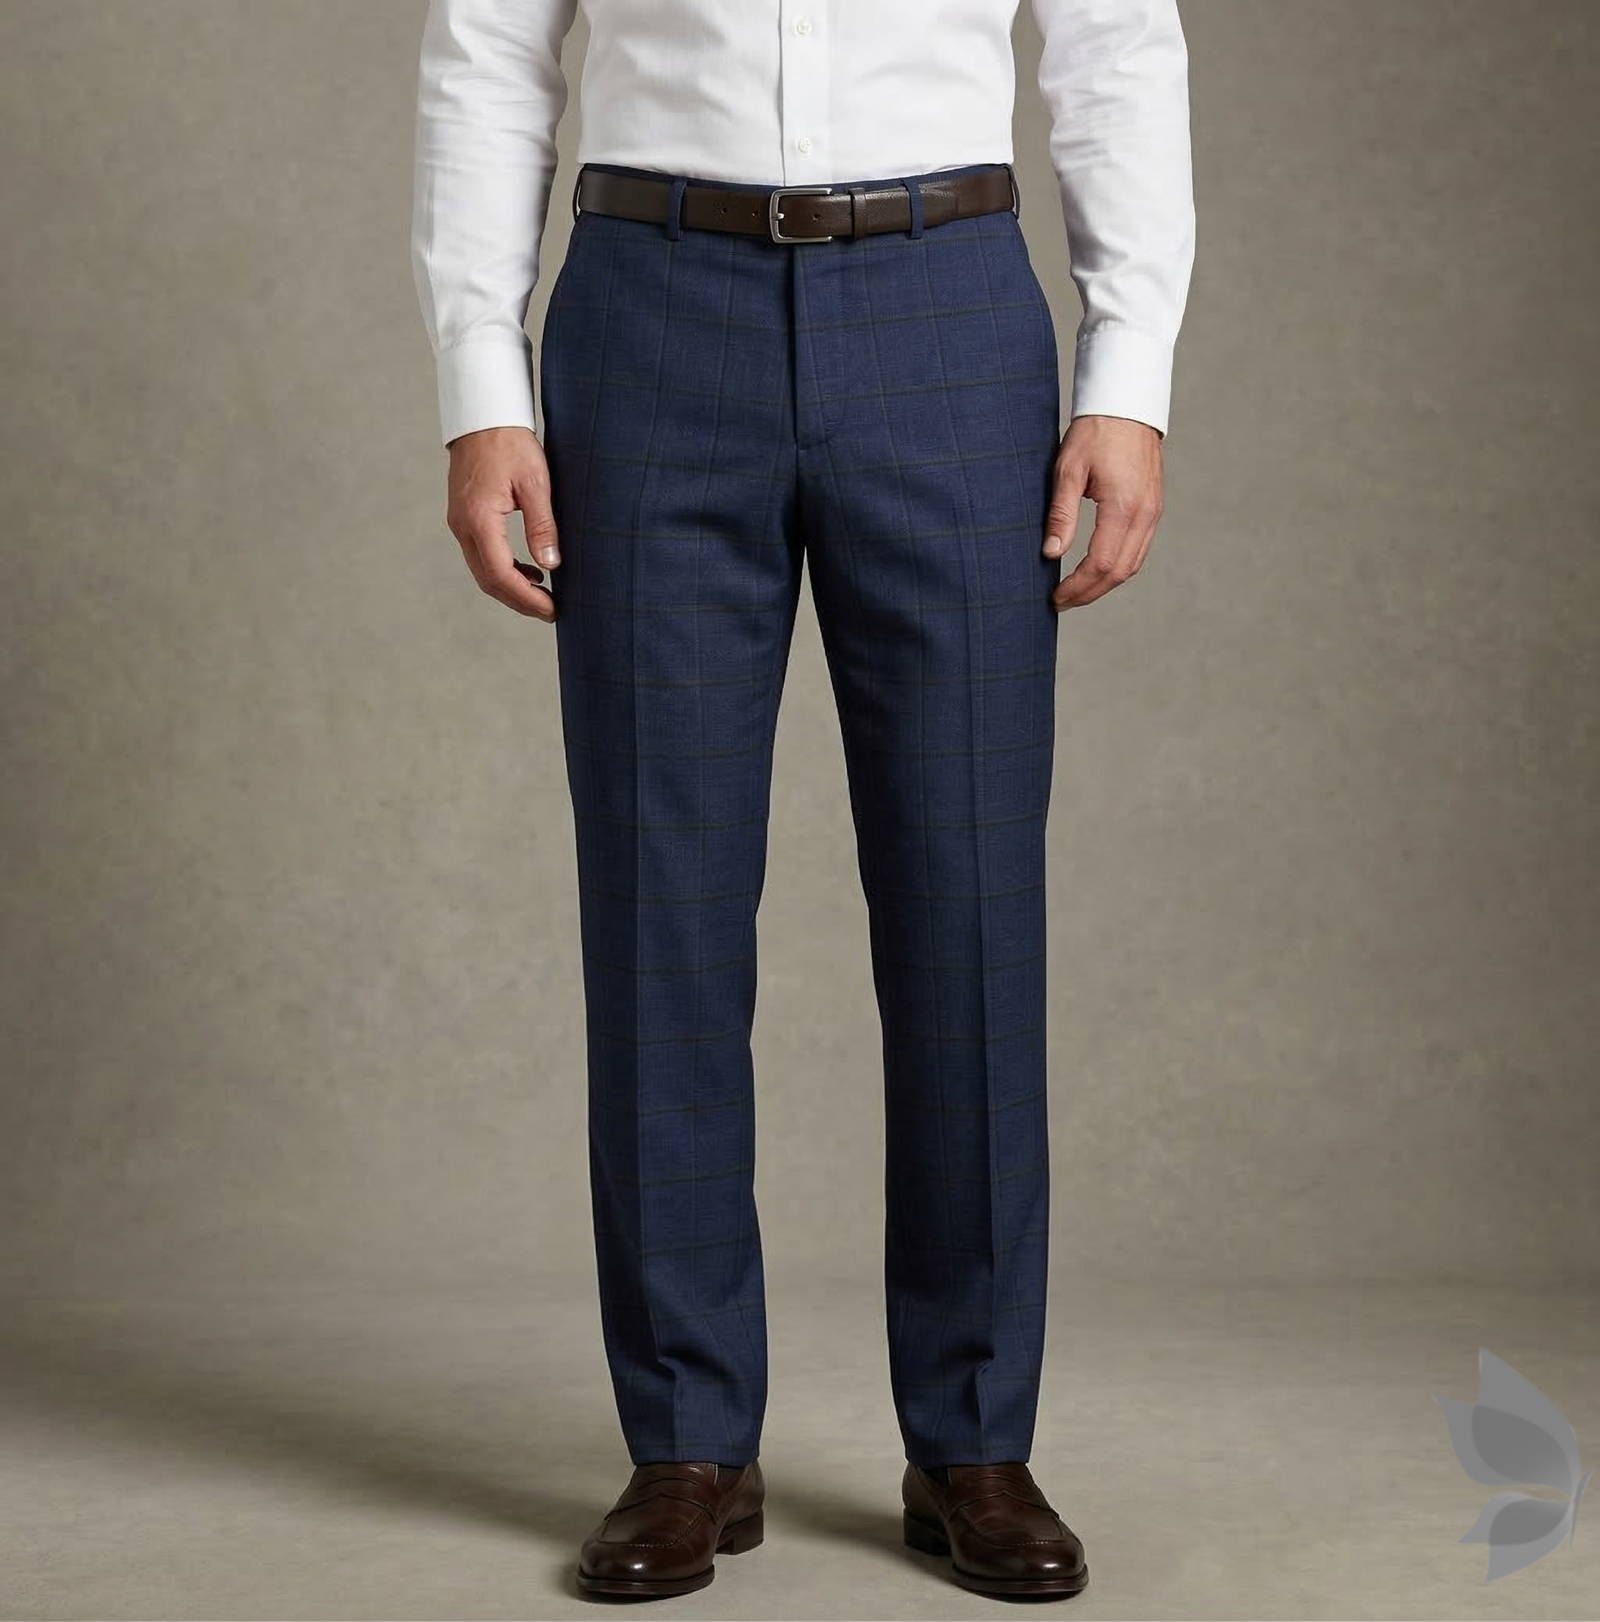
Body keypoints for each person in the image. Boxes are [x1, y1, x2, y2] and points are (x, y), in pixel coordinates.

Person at [411, 0, 1194, 1601]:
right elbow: (486, 47)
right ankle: (685, 1437)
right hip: (652, 308)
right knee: (663, 908)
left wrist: (1130, 373)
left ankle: (975, 1437)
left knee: (969, 902)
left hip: (945, 302)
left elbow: (1118, 43)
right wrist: (480, 383)